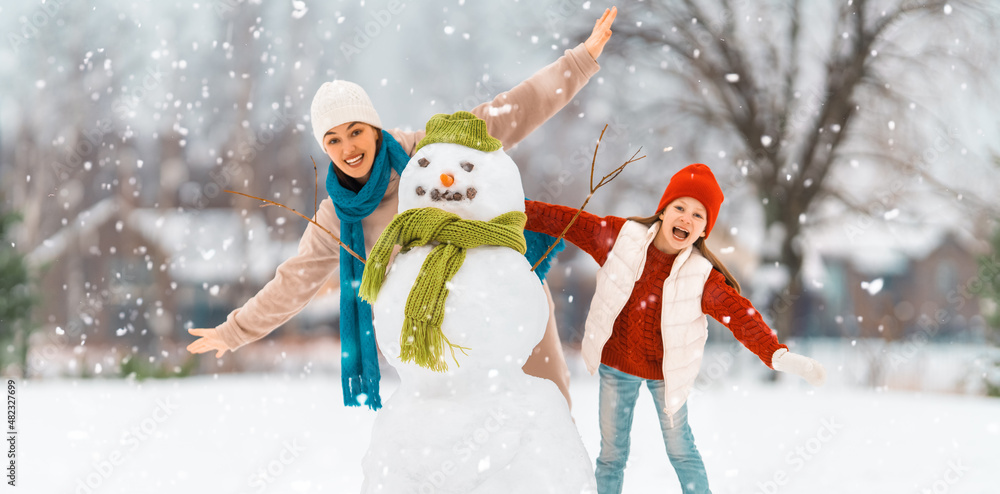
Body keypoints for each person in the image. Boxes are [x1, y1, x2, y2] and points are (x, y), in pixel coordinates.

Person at [186, 7, 619, 411]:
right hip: (438, 332)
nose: (347, 147)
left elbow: (509, 113)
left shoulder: (431, 151)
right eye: (332, 140)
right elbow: (294, 282)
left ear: (374, 130)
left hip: (505, 300)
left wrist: (579, 61)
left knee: (545, 418)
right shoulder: (339, 216)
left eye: (355, 131)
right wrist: (235, 330)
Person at [523, 163, 826, 494]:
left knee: (681, 451)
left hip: (667, 375)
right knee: (611, 455)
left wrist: (777, 354)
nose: (686, 218)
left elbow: (740, 316)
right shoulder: (618, 238)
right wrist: (507, 205)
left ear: (704, 231)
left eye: (698, 215)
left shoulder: (702, 276)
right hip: (616, 365)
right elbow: (562, 220)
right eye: (680, 207)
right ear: (663, 211)